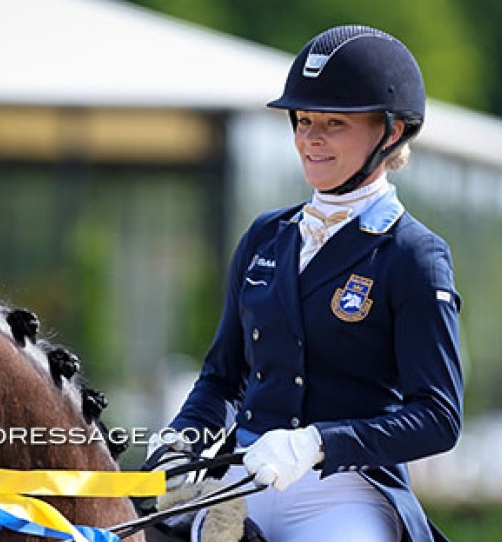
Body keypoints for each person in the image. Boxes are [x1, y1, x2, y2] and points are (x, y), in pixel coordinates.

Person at [147, 25, 464, 542]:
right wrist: (183, 441)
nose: (310, 138)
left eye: (334, 123)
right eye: (303, 120)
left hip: (344, 496)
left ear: (392, 132)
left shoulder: (413, 255)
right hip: (240, 482)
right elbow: (223, 378)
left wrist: (316, 443)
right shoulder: (265, 237)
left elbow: (438, 417)